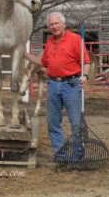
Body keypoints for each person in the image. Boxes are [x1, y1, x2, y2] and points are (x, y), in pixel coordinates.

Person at [23, 12, 90, 157]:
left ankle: (77, 156)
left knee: (75, 122)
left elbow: (86, 62)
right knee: (53, 123)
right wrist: (26, 55)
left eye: (56, 23)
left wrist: (85, 76)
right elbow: (44, 62)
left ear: (63, 24)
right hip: (53, 84)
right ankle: (61, 156)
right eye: (51, 24)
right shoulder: (50, 42)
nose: (54, 27)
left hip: (71, 84)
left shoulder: (75, 39)